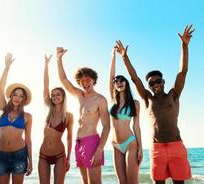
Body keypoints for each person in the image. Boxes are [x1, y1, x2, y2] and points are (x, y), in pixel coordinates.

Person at [116, 25, 194, 184]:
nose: (155, 85)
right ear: (149, 86)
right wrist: (125, 58)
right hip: (157, 148)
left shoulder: (174, 95)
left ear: (163, 81)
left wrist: (184, 46)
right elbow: (135, 79)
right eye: (152, 83)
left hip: (176, 146)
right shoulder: (147, 98)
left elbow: (183, 71)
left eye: (158, 81)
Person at [57, 47, 110, 184]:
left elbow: (107, 127)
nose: (85, 83)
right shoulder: (80, 95)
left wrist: (99, 149)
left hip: (92, 142)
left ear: (93, 80)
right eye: (82, 81)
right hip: (78, 143)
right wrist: (59, 59)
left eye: (88, 80)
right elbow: (63, 79)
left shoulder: (100, 99)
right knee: (84, 182)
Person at [0, 53, 33, 184]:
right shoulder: (3, 109)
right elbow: (0, 87)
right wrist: (7, 67)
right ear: (11, 96)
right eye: (15, 94)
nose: (17, 97)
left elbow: (28, 139)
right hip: (2, 155)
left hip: (19, 155)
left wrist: (31, 161)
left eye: (21, 96)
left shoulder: (27, 117)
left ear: (24, 99)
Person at [38, 54, 74, 184]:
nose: (55, 97)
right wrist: (46, 65)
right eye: (53, 95)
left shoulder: (68, 116)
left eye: (58, 94)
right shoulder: (49, 110)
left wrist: (68, 159)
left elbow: (70, 138)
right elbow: (45, 86)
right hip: (43, 155)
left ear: (63, 96)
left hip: (60, 156)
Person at [109, 45, 142, 184]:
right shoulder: (113, 100)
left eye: (122, 80)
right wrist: (113, 55)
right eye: (116, 81)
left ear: (126, 84)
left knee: (132, 181)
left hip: (130, 143)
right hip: (115, 145)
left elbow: (136, 126)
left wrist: (140, 147)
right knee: (121, 182)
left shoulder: (135, 103)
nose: (119, 82)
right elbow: (111, 75)